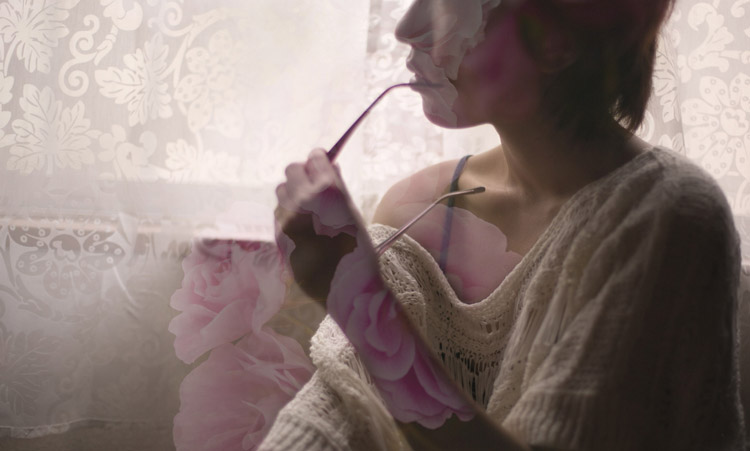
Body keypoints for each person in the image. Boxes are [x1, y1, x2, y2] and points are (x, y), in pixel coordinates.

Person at [262, 0, 747, 449]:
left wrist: (357, 296)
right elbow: (335, 414)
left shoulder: (669, 219)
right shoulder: (416, 212)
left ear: (557, 41)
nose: (406, 29)